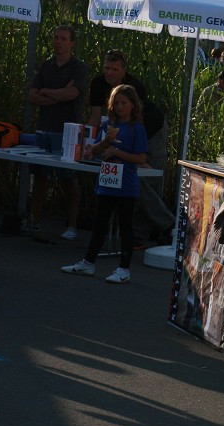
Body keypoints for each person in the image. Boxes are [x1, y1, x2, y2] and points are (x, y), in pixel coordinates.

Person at [61, 85, 148, 284]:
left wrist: (117, 153)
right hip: (107, 181)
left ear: (133, 105)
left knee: (125, 227)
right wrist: (105, 143)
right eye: (116, 103)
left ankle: (124, 268)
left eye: (123, 103)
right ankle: (88, 262)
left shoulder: (137, 128)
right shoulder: (108, 125)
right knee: (100, 223)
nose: (119, 107)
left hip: (125, 184)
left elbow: (141, 157)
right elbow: (94, 150)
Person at [87, 48, 172, 248]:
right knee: (134, 179)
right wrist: (89, 142)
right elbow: (95, 116)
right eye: (107, 68)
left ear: (124, 70)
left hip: (152, 129)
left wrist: (136, 156)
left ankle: (162, 227)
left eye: (115, 70)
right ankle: (140, 234)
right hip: (121, 131)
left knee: (144, 180)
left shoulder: (135, 87)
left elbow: (137, 123)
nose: (110, 73)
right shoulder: (98, 84)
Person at [27, 25, 89, 239]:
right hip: (44, 128)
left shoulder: (79, 68)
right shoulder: (46, 66)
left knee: (68, 178)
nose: (58, 41)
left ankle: (71, 225)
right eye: (56, 37)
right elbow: (33, 96)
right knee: (40, 175)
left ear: (72, 43)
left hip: (68, 131)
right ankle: (34, 220)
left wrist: (47, 92)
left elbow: (71, 95)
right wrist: (55, 93)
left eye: (63, 38)